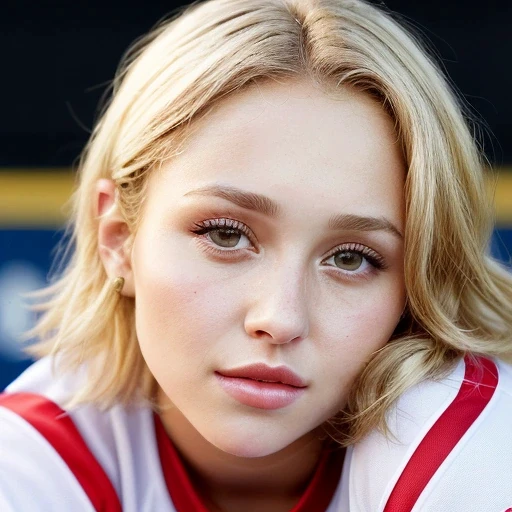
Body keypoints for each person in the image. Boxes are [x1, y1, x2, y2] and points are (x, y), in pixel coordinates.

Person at [1, 0, 511, 510]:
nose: (280, 318)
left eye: (352, 258)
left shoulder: (470, 448)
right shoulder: (28, 464)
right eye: (225, 235)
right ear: (118, 239)